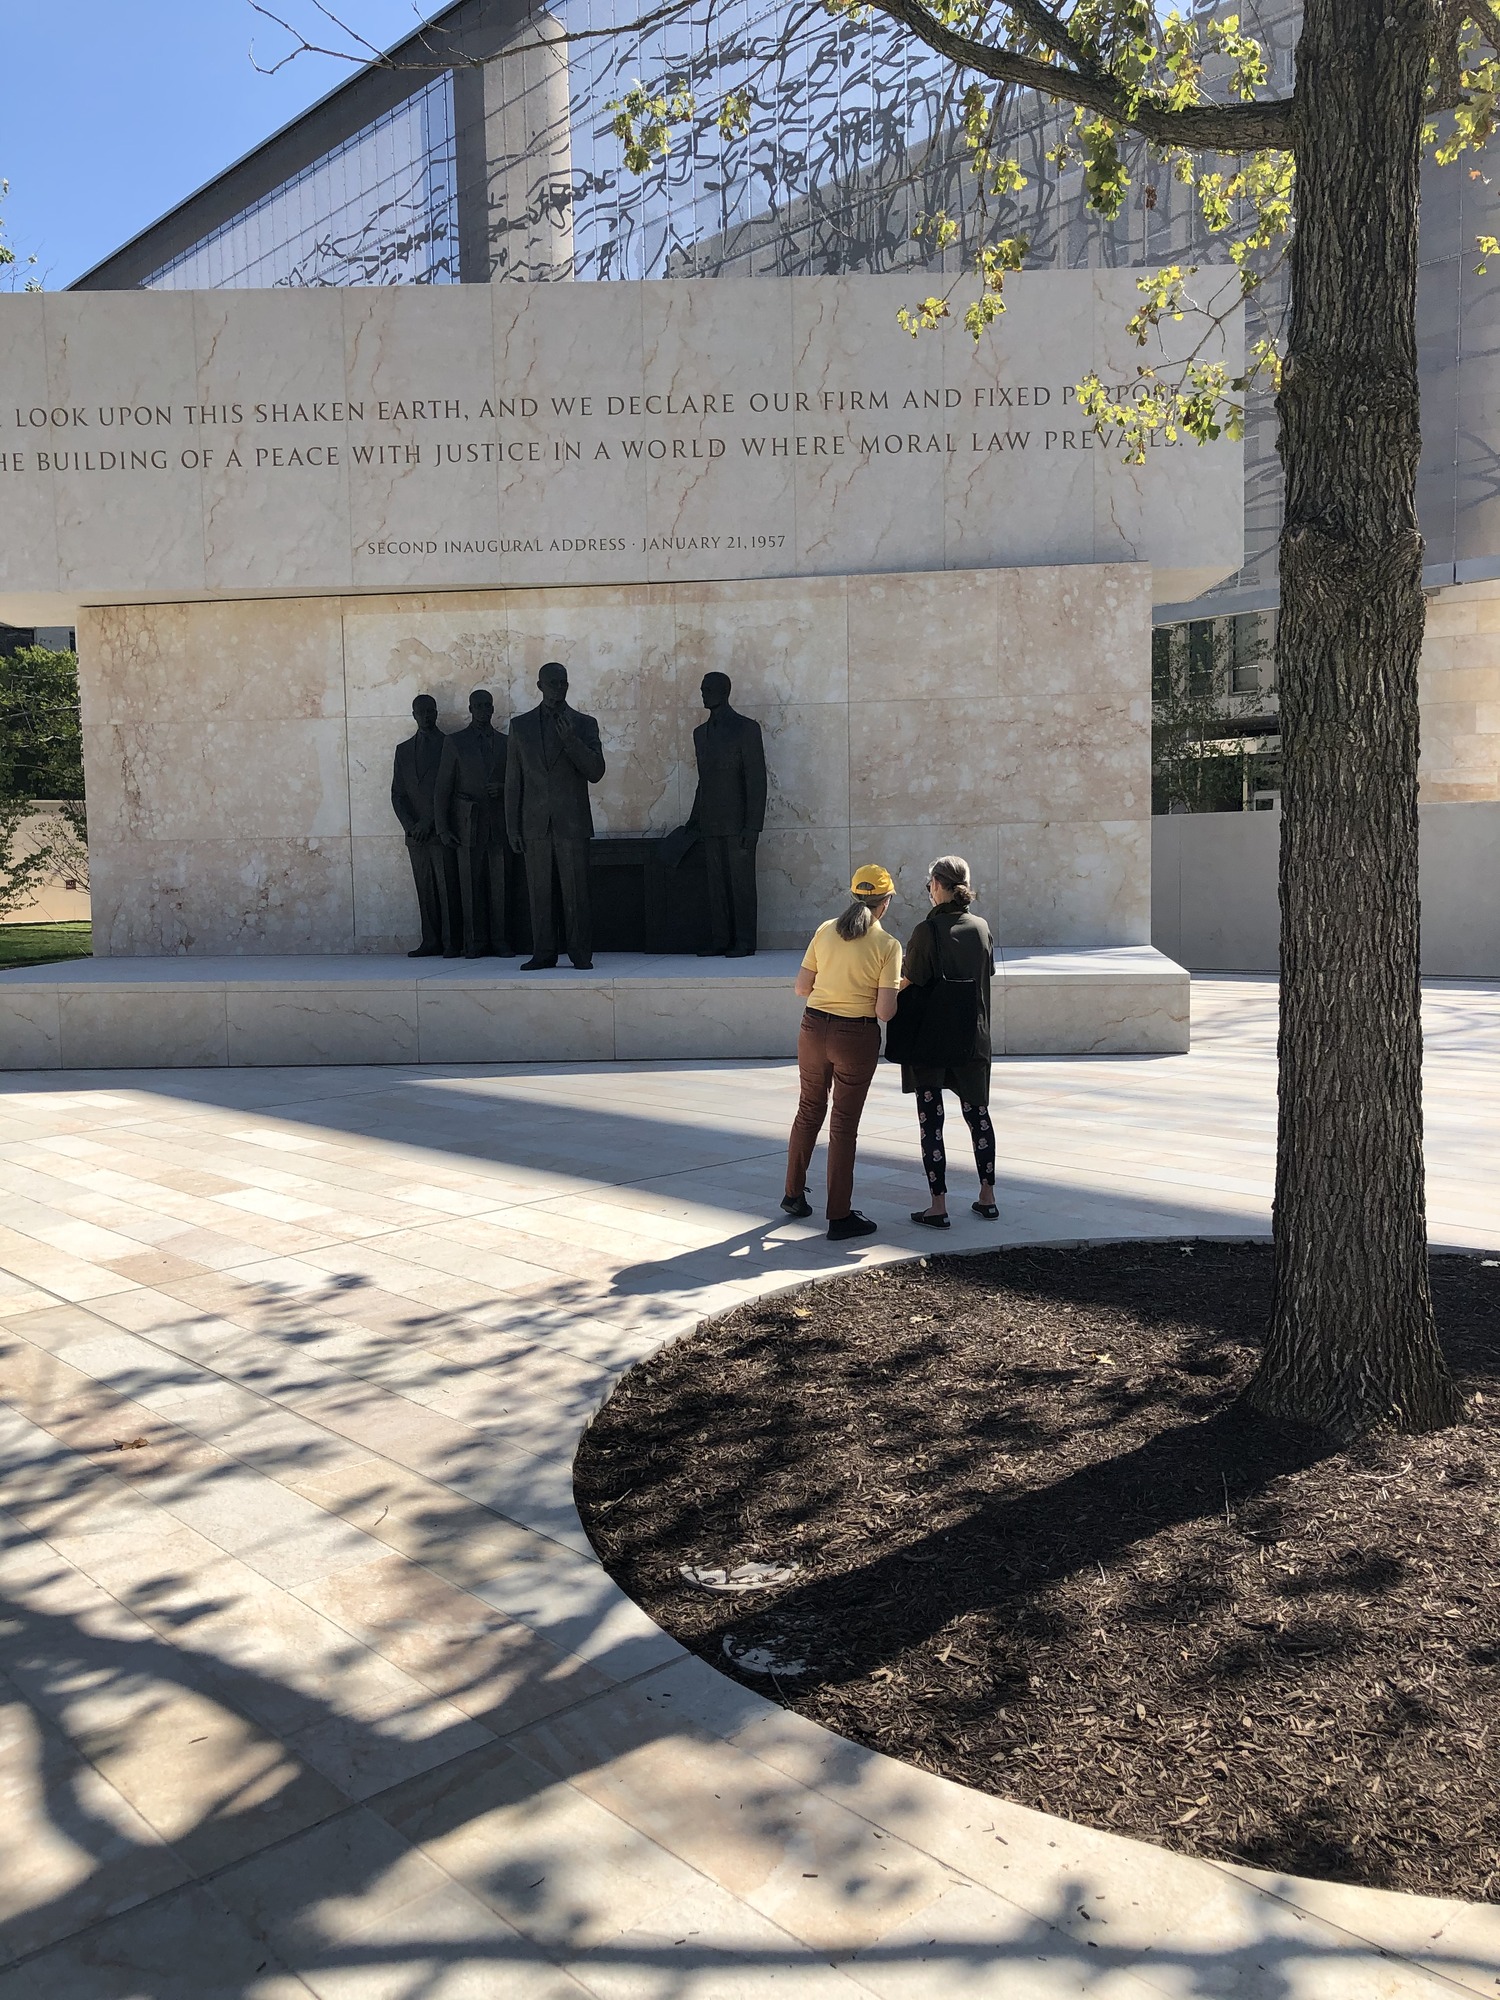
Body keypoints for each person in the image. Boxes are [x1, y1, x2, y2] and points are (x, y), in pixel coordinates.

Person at [783, 865, 902, 1241]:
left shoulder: (824, 930)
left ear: (853, 896)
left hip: (813, 1028)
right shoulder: (888, 946)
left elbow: (802, 988)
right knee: (843, 1125)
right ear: (886, 903)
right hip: (856, 1036)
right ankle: (839, 1215)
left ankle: (793, 1195)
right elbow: (884, 1012)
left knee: (808, 1110)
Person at [901, 854, 997, 1227]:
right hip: (973, 1035)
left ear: (937, 886)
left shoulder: (926, 931)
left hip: (931, 1038)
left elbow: (911, 980)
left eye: (929, 885)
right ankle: (987, 1197)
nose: (928, 891)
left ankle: (938, 1205)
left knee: (931, 1120)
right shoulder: (982, 928)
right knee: (979, 1115)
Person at [505, 661, 606, 970]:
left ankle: (580, 953)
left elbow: (596, 772)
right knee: (539, 893)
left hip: (572, 823)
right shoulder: (520, 727)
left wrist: (571, 741)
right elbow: (513, 782)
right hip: (535, 824)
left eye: (562, 682)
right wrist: (513, 828)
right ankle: (544, 952)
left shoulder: (584, 724)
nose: (558, 688)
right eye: (552, 683)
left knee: (577, 892)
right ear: (539, 686)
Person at [434, 689, 511, 958]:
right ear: (470, 708)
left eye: (487, 705)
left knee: (500, 886)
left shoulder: (506, 743)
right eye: (477, 705)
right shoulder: (455, 743)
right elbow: (443, 788)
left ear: (492, 708)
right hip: (468, 825)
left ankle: (500, 940)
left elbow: (517, 782)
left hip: (499, 825)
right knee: (470, 886)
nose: (482, 709)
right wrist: (443, 827)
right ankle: (475, 941)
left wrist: (502, 788)